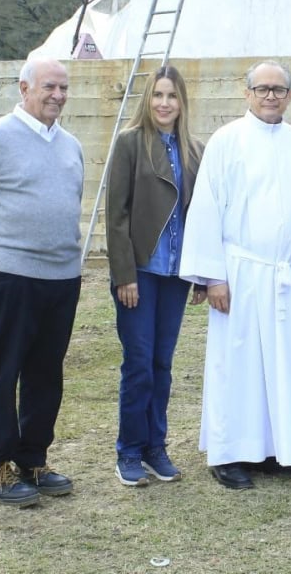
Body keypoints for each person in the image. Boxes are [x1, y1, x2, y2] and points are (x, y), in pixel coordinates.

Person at [0, 57, 85, 507]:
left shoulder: (71, 146)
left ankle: (32, 459)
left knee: (47, 374)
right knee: (2, 371)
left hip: (62, 277)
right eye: (50, 87)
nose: (58, 96)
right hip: (12, 276)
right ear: (24, 87)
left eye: (64, 88)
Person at [179, 60, 291, 491]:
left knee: (284, 362)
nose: (271, 96)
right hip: (238, 273)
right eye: (263, 89)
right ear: (247, 93)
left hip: (285, 273)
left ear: (290, 95)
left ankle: (278, 449)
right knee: (236, 364)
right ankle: (231, 453)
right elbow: (206, 208)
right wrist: (212, 277)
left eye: (279, 89)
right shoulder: (226, 141)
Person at [106, 66, 206, 487]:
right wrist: (124, 274)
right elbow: (117, 215)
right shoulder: (130, 143)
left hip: (175, 274)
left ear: (182, 102)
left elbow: (202, 215)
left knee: (163, 364)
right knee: (139, 365)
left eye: (172, 96)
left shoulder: (195, 151)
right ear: (147, 100)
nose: (165, 103)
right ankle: (129, 450)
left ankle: (155, 448)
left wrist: (201, 273)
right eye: (158, 95)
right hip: (142, 272)